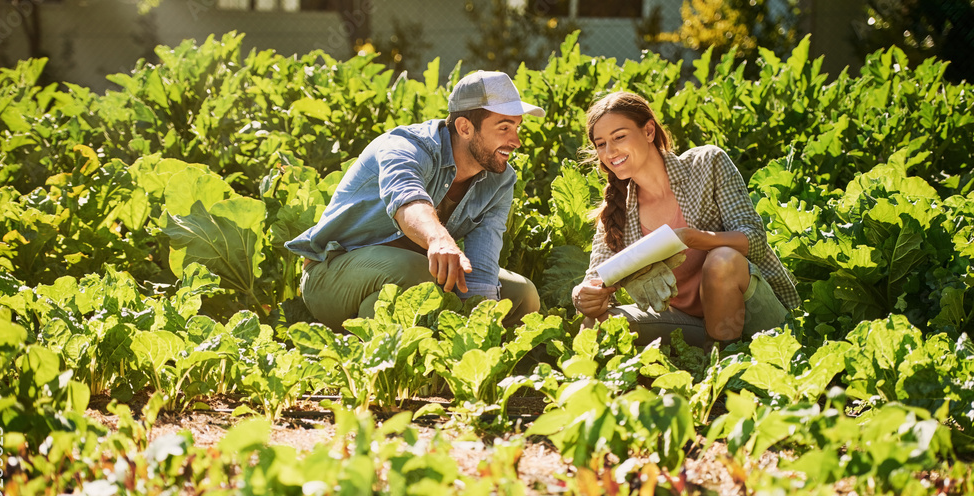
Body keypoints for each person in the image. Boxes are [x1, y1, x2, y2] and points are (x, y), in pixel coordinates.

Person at [285, 70, 544, 332]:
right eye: (504, 128)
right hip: (332, 274)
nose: (516, 141)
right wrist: (437, 238)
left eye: (516, 127)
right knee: (416, 273)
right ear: (465, 127)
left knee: (522, 295)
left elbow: (481, 270)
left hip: (418, 274)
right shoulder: (405, 146)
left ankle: (442, 362)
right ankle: (375, 362)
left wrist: (477, 329)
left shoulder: (500, 180)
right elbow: (407, 201)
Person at [571, 91, 800, 349]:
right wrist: (583, 297)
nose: (610, 151)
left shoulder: (707, 164)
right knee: (597, 325)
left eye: (619, 137)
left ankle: (720, 372)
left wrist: (690, 238)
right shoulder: (616, 212)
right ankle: (696, 369)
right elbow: (594, 279)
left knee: (721, 260)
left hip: (756, 317)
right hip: (689, 324)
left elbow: (755, 240)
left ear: (648, 131)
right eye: (601, 144)